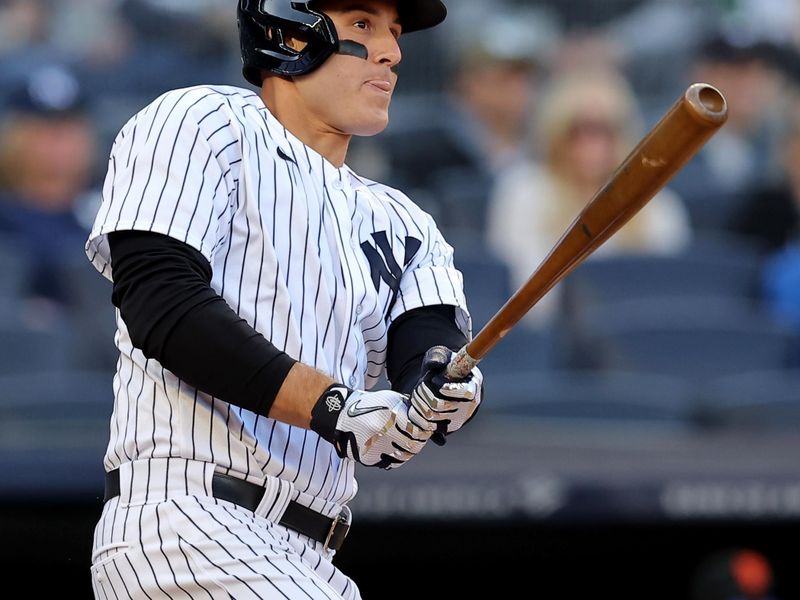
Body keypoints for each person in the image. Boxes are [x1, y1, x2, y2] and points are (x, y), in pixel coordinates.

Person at [84, 1, 483, 598]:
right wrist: (336, 407)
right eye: (363, 26)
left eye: (394, 34)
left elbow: (428, 340)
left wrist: (441, 389)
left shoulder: (404, 219)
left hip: (307, 550)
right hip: (190, 521)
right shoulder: (201, 123)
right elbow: (161, 303)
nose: (392, 53)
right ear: (288, 33)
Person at [486, 66, 692, 329]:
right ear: (556, 132)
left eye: (606, 129)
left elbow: (667, 296)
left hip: (629, 342)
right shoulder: (522, 191)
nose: (593, 143)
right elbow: (524, 296)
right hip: (555, 337)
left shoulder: (657, 205)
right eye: (580, 129)